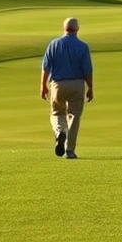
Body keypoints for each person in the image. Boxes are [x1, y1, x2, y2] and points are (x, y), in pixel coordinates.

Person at [40, 17, 94, 159]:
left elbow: (45, 67)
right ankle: (69, 150)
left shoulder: (54, 44)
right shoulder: (83, 46)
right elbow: (88, 70)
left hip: (58, 84)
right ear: (77, 29)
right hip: (77, 84)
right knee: (74, 116)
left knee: (57, 113)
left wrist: (43, 85)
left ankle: (59, 132)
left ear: (64, 28)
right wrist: (90, 87)